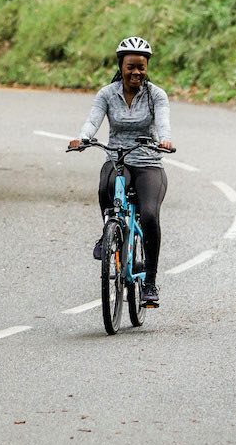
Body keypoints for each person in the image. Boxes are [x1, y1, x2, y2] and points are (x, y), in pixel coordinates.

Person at [70, 36, 175, 308]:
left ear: (147, 67)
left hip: (149, 161)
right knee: (106, 187)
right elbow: (93, 120)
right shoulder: (107, 93)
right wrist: (82, 138)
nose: (136, 72)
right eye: (131, 67)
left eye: (141, 67)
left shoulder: (156, 96)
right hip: (118, 157)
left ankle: (150, 283)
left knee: (150, 215)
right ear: (121, 65)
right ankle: (109, 231)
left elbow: (163, 123)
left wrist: (164, 140)